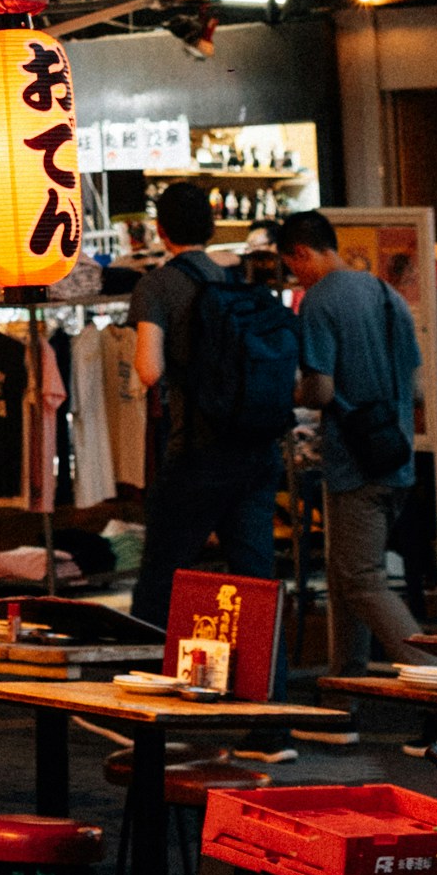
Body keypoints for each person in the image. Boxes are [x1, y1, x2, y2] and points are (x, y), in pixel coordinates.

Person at [130, 181, 296, 630]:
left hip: (197, 454)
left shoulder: (157, 286)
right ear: (211, 225)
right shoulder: (236, 278)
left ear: (161, 231)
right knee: (255, 585)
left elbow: (149, 369)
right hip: (257, 450)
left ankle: (146, 688)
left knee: (160, 586)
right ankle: (269, 693)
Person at [280, 210, 426, 665]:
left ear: (302, 252)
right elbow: (418, 386)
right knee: (347, 579)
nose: (295, 277)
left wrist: (294, 391)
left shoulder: (319, 302)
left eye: (293, 265)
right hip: (396, 456)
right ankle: (345, 697)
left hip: (354, 464)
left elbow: (321, 390)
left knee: (362, 580)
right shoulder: (386, 294)